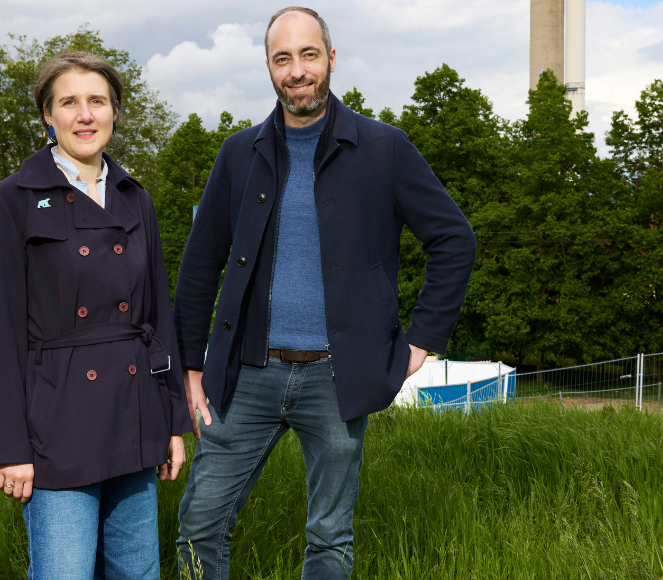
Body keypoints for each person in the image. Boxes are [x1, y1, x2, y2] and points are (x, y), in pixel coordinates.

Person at [173, 6, 477, 578]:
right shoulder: (239, 154)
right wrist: (191, 366)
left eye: (308, 55)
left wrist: (420, 342)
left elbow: (454, 241)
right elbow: (198, 267)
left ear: (331, 59)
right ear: (268, 67)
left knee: (329, 539)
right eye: (282, 58)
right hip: (244, 374)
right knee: (199, 527)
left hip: (338, 380)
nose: (297, 71)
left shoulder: (383, 147)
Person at [0, 51, 192, 580]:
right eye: (68, 102)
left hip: (135, 415)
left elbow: (158, 317)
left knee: (138, 574)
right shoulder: (10, 200)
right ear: (47, 116)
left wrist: (172, 423)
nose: (85, 115)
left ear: (115, 112)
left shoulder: (135, 199)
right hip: (57, 429)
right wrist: (9, 449)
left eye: (97, 101)